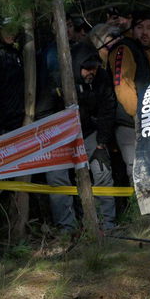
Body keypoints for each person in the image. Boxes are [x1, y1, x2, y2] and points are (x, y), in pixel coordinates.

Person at [45, 51, 117, 232]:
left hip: (88, 132)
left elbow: (107, 110)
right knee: (57, 179)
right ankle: (66, 228)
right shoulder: (57, 79)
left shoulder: (100, 78)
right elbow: (44, 111)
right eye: (87, 68)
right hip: (58, 136)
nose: (91, 72)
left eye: (94, 67)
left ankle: (106, 224)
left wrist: (101, 142)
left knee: (102, 171)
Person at [109, 10, 150, 167]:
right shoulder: (125, 49)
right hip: (131, 122)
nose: (145, 32)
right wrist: (139, 116)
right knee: (138, 169)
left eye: (149, 27)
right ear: (132, 30)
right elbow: (122, 86)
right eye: (140, 27)